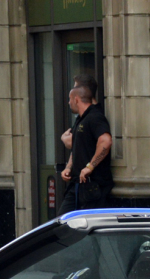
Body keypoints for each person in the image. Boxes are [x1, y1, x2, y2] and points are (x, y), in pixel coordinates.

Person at [58, 78, 112, 215]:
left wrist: (90, 166)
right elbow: (76, 146)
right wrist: (68, 167)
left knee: (88, 227)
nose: (69, 103)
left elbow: (105, 141)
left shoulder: (95, 117)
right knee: (62, 223)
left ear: (76, 99)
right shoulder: (80, 120)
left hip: (92, 186)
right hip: (77, 184)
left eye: (70, 99)